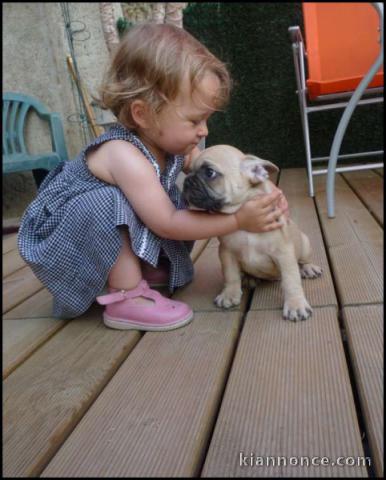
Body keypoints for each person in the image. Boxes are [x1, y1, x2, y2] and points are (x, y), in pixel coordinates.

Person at [18, 23, 288, 331]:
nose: (204, 131)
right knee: (112, 201)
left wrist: (263, 197)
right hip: (61, 239)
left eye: (207, 119)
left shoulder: (171, 142)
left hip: (97, 231)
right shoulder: (123, 155)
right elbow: (168, 224)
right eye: (194, 120)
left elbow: (213, 170)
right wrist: (240, 221)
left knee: (161, 197)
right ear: (142, 114)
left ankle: (144, 268)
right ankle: (126, 297)